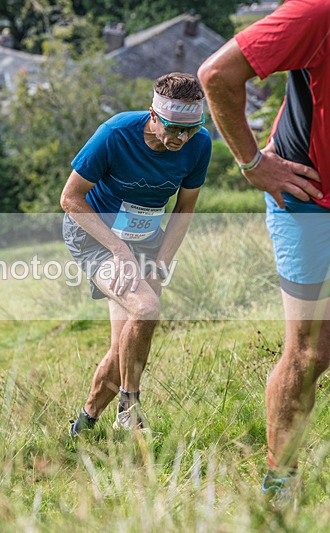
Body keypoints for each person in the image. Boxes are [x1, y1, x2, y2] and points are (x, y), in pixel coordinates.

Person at [198, 0, 330, 498]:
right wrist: (252, 162)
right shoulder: (324, 13)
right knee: (310, 351)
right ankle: (281, 480)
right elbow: (216, 73)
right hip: (310, 200)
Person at [61, 73, 211, 435]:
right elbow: (70, 199)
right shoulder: (115, 134)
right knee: (146, 308)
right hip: (95, 236)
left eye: (189, 130)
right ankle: (130, 406)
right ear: (153, 115)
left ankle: (85, 422)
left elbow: (184, 209)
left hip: (145, 238)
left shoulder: (198, 144)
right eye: (174, 129)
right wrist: (119, 250)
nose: (181, 138)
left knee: (123, 345)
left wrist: (161, 264)